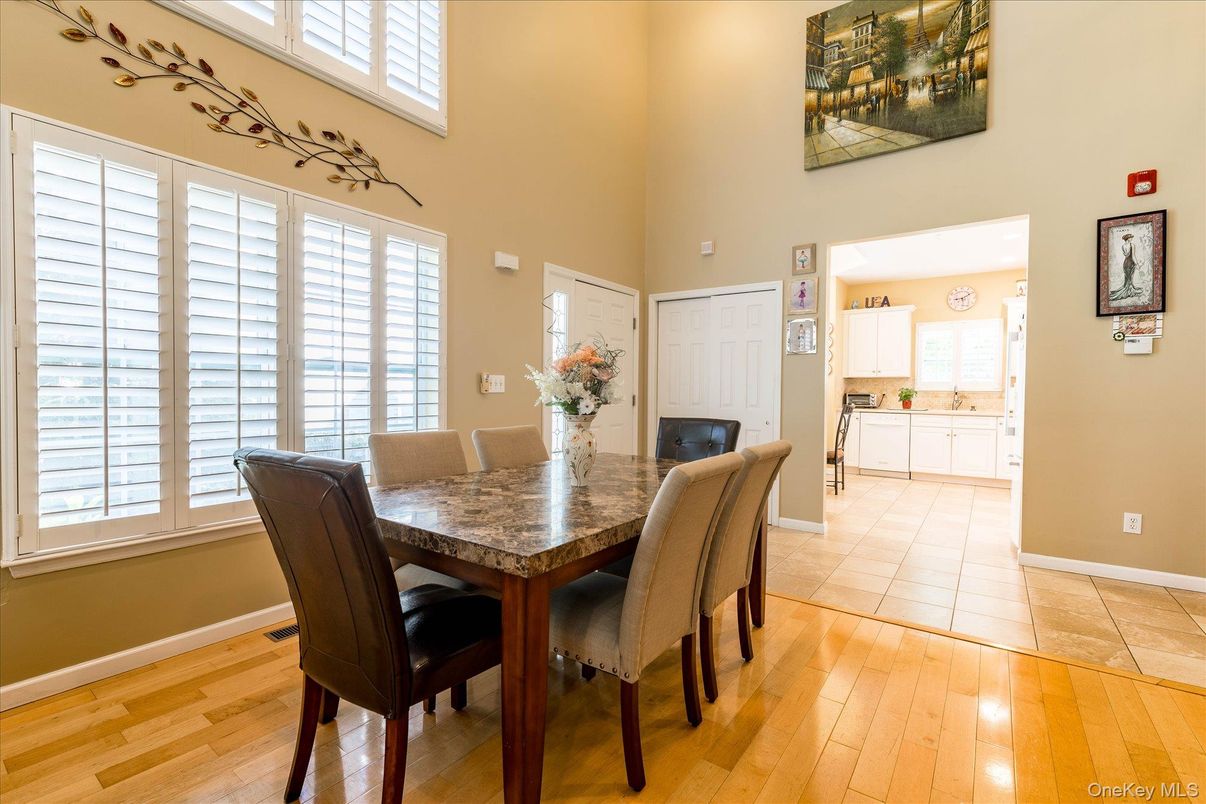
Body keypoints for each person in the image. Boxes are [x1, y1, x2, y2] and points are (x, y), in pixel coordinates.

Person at [1109, 233, 1140, 301]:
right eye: (1131, 237)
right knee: (1130, 277)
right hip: (1131, 262)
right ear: (1128, 239)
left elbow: (1126, 255)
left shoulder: (1123, 246)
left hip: (1125, 263)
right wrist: (1137, 264)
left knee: (1127, 277)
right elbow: (1133, 256)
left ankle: (1129, 290)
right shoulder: (1132, 245)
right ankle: (1129, 291)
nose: (1131, 239)